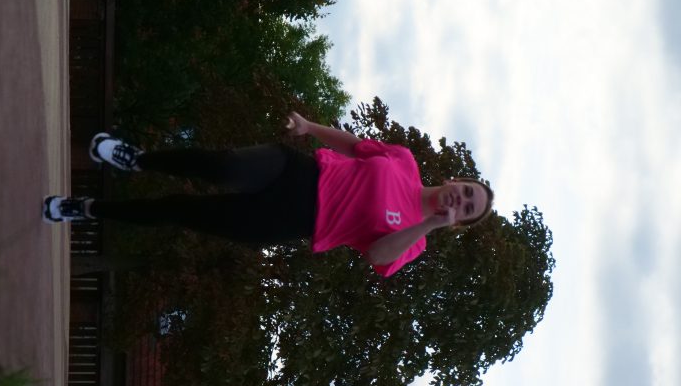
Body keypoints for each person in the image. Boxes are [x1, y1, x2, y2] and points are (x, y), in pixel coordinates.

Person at [44, 112, 493, 276]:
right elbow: (354, 146)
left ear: (460, 221)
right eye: (467, 191)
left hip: (290, 221)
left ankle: (87, 209)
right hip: (297, 172)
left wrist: (427, 224)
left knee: (181, 211)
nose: (462, 199)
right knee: (223, 166)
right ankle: (138, 160)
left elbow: (377, 254)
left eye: (468, 208)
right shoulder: (404, 161)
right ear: (456, 180)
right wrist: (309, 127)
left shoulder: (415, 243)